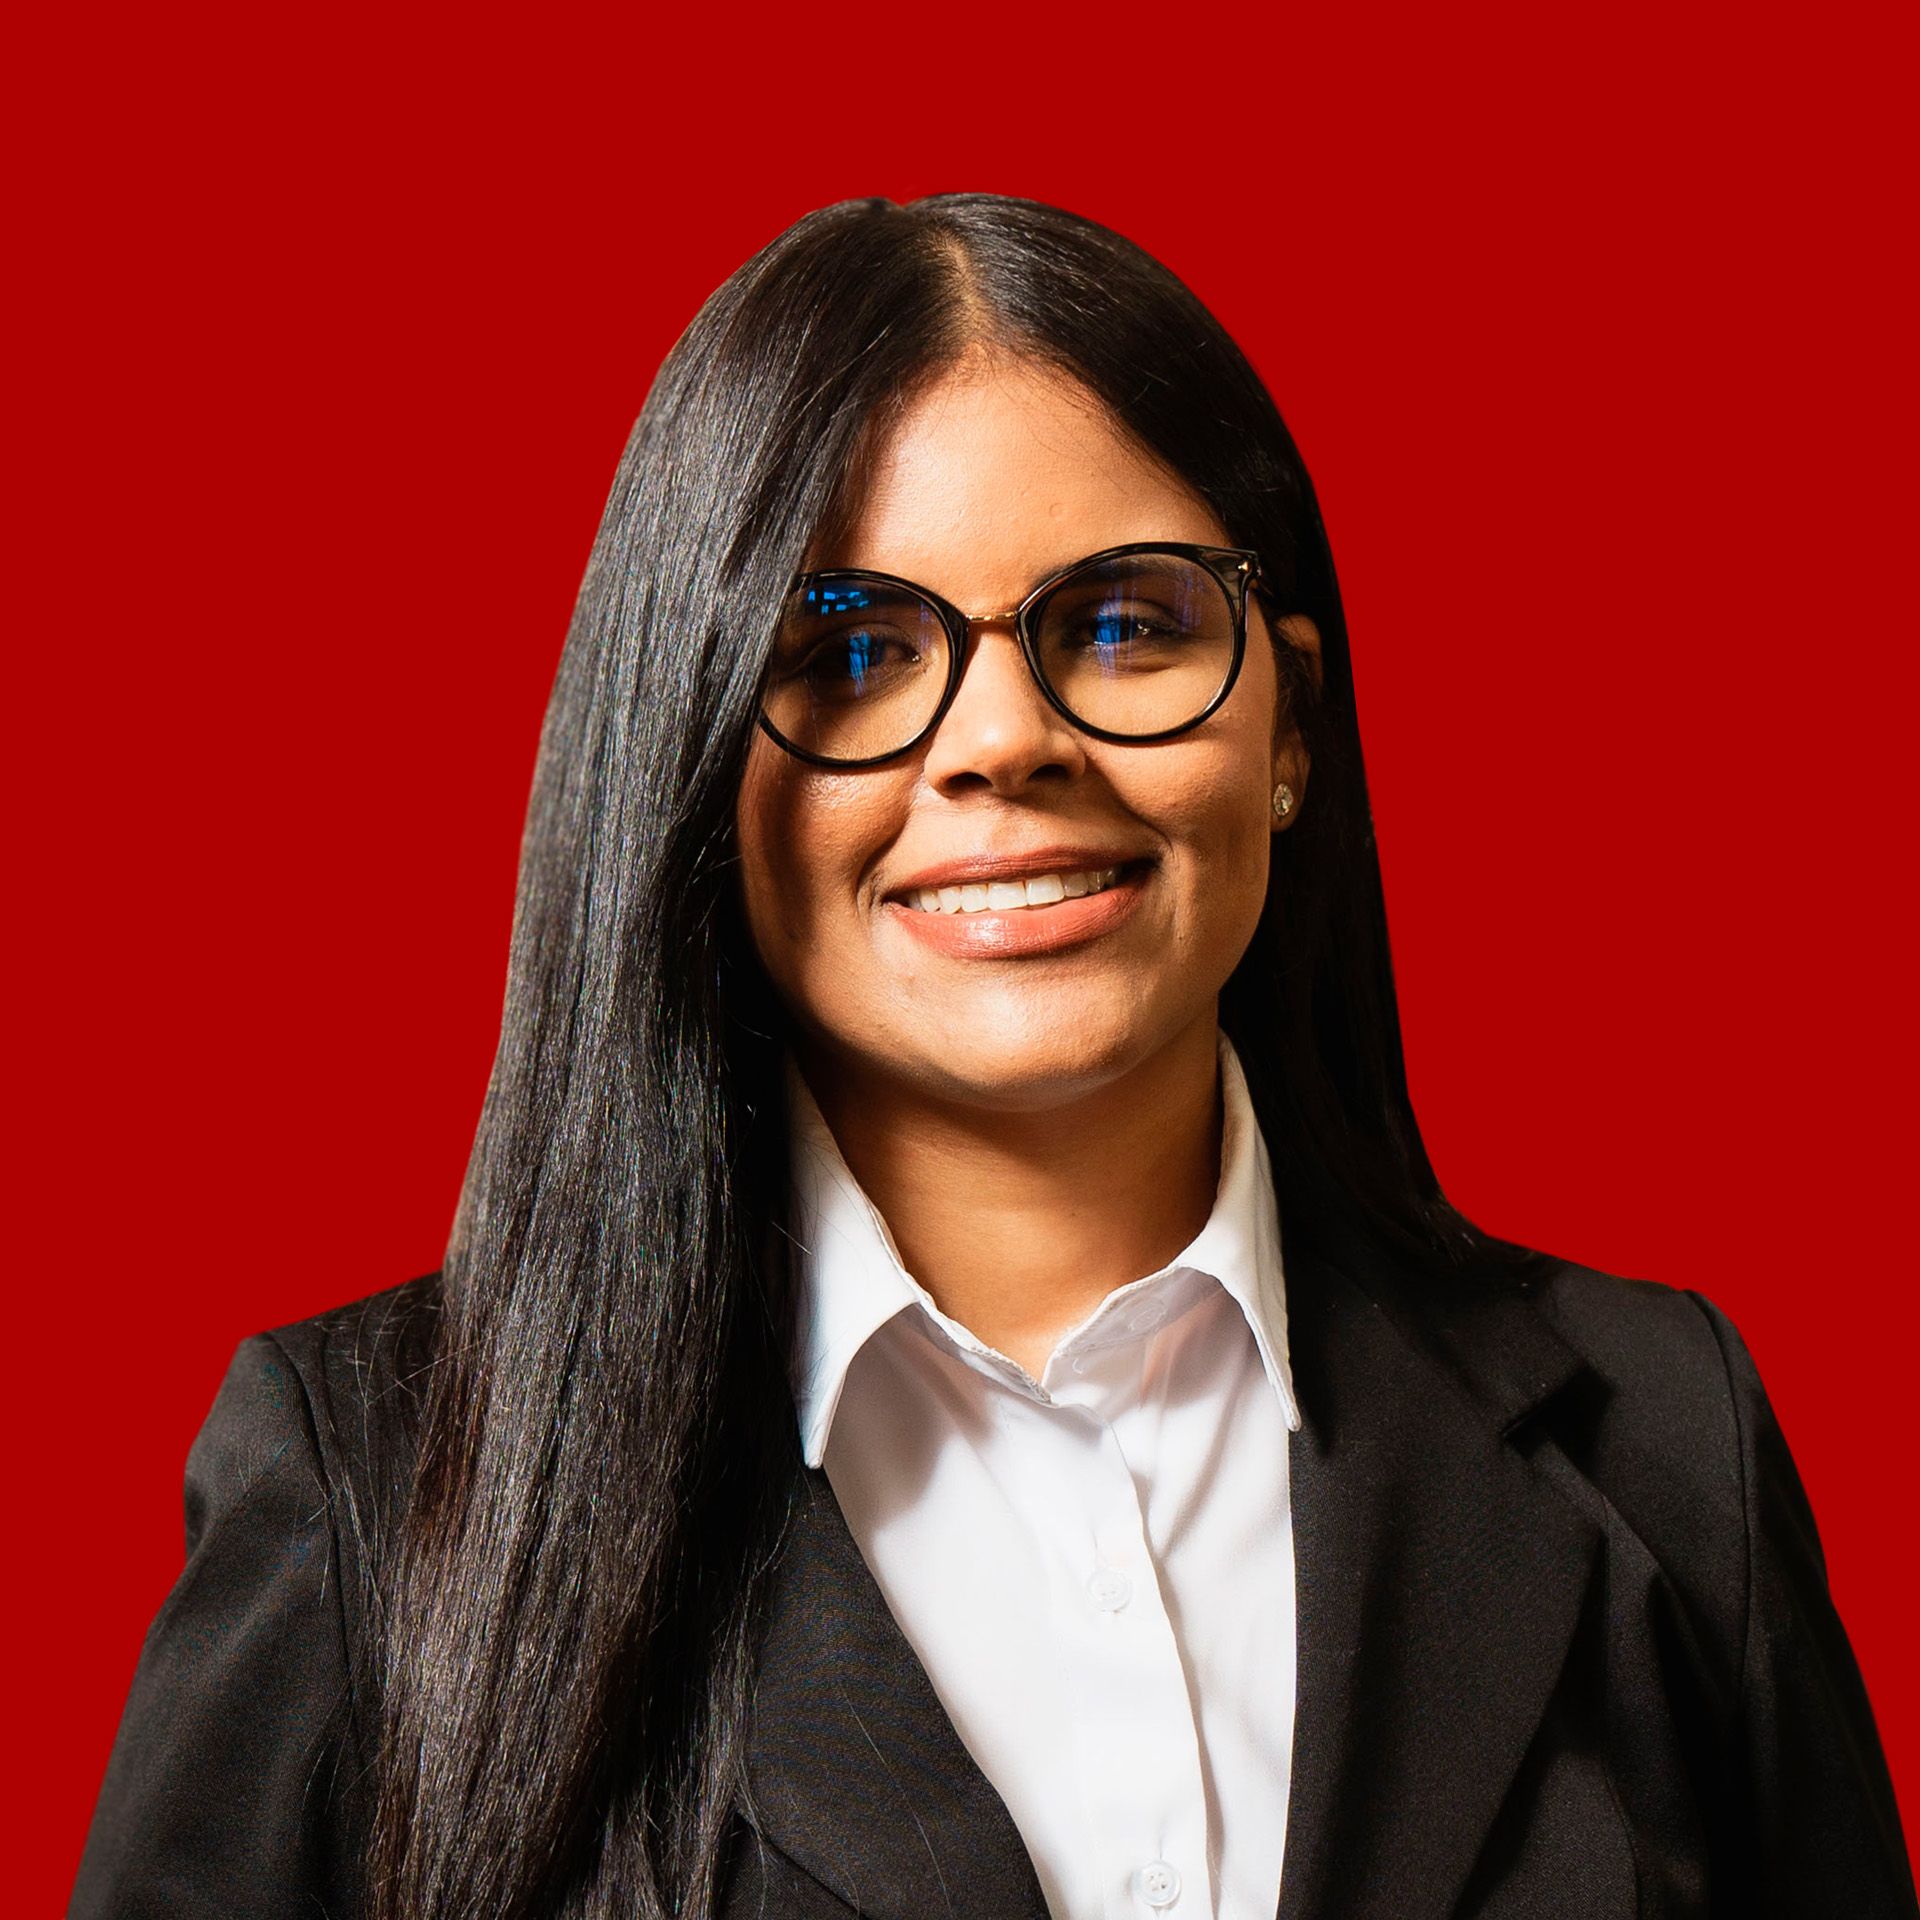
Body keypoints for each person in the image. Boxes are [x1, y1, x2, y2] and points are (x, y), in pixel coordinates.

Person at [72, 192, 1915, 1920]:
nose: (1002, 741)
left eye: (1122, 626)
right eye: (852, 654)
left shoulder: (1662, 1446)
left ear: (1288, 722)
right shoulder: (371, 1493)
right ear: (693, 756)